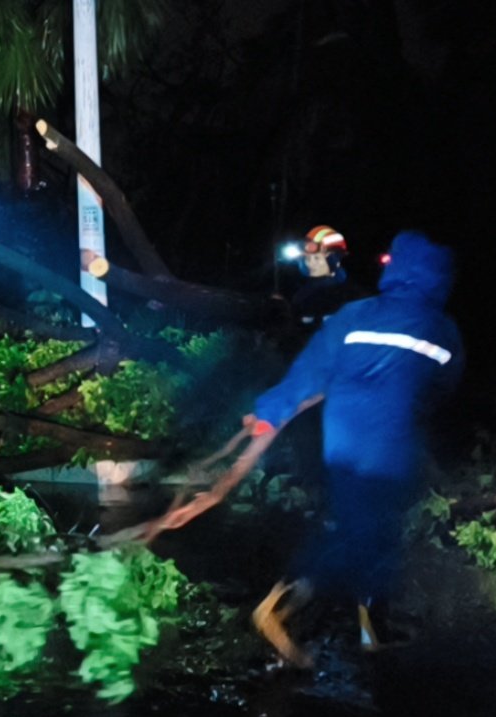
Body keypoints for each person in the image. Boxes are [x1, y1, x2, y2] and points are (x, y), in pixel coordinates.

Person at [154, 230, 464, 667]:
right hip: (389, 443)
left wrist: (269, 410)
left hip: (341, 437)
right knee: (368, 533)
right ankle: (278, 605)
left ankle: (371, 629)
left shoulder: (355, 313)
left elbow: (310, 369)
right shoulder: (442, 330)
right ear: (438, 279)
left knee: (368, 528)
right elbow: (443, 389)